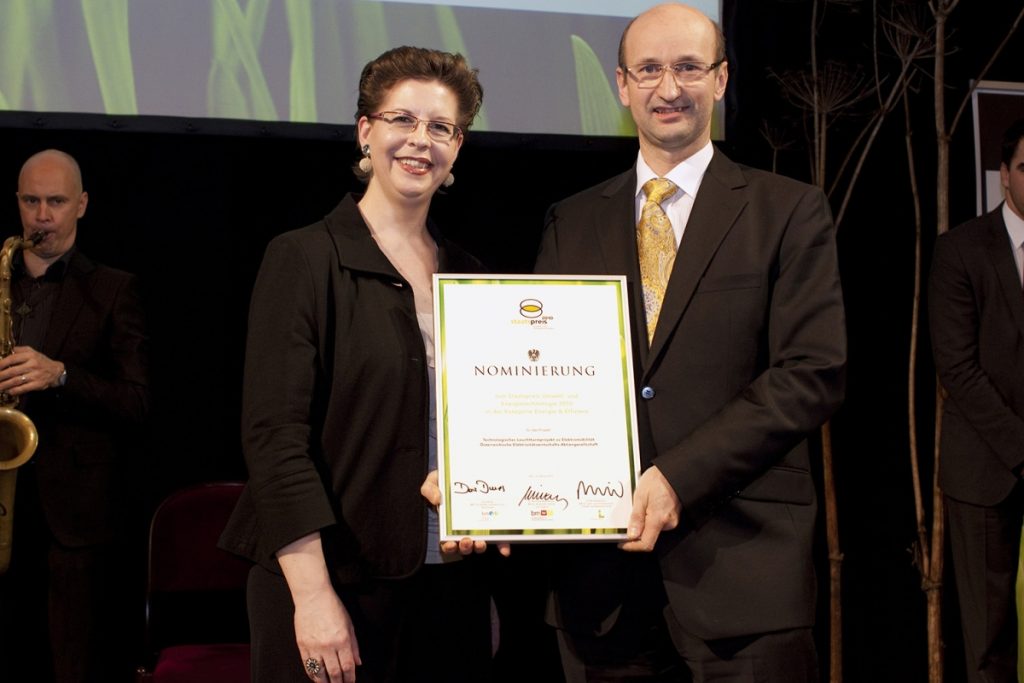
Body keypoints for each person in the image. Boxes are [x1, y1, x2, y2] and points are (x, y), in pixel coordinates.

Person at [533, 3, 847, 681]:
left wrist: (680, 474)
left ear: (722, 79)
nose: (668, 88)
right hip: (599, 581)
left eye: (687, 68)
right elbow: (539, 377)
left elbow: (810, 372)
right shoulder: (571, 219)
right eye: (648, 69)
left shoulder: (788, 211)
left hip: (745, 576)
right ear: (621, 84)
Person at [219, 46, 493, 683]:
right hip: (332, 581)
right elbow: (273, 439)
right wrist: (313, 597)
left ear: (458, 148)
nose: (419, 141)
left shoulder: (475, 277)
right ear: (366, 132)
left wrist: (490, 505)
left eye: (441, 127)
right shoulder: (306, 259)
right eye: (401, 119)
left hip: (449, 583)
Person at [0, 149, 150, 682]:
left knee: (73, 665)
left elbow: (137, 401)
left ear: (81, 205)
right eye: (32, 201)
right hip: (3, 502)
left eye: (56, 202)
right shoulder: (2, 277)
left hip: (76, 518)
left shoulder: (112, 289)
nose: (42, 215)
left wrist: (60, 375)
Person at [929, 118, 1024, 683]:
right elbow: (957, 368)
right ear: (1005, 176)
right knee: (988, 640)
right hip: (986, 470)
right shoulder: (961, 250)